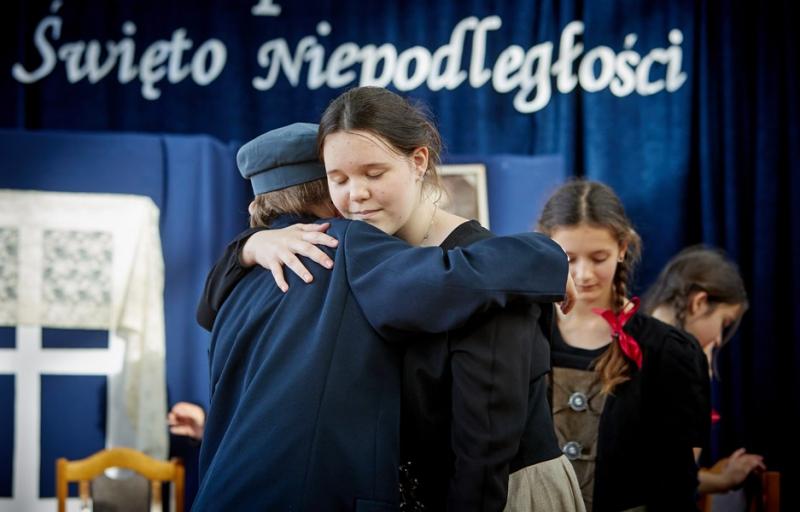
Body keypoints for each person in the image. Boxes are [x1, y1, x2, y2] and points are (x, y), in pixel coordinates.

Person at [198, 87, 584, 512]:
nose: (355, 195)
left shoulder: (245, 274)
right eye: (339, 179)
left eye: (374, 173)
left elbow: (487, 439)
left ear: (418, 162)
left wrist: (247, 246)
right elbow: (452, 280)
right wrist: (546, 256)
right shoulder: (341, 244)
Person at [537, 179, 710, 512]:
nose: (584, 274)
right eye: (568, 258)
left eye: (598, 257)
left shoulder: (668, 350)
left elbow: (678, 480)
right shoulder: (526, 336)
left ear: (622, 247)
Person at [643, 245, 765, 495]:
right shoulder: (666, 364)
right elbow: (678, 476)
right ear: (698, 303)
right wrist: (699, 379)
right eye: (724, 322)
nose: (719, 340)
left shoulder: (633, 340)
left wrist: (723, 480)